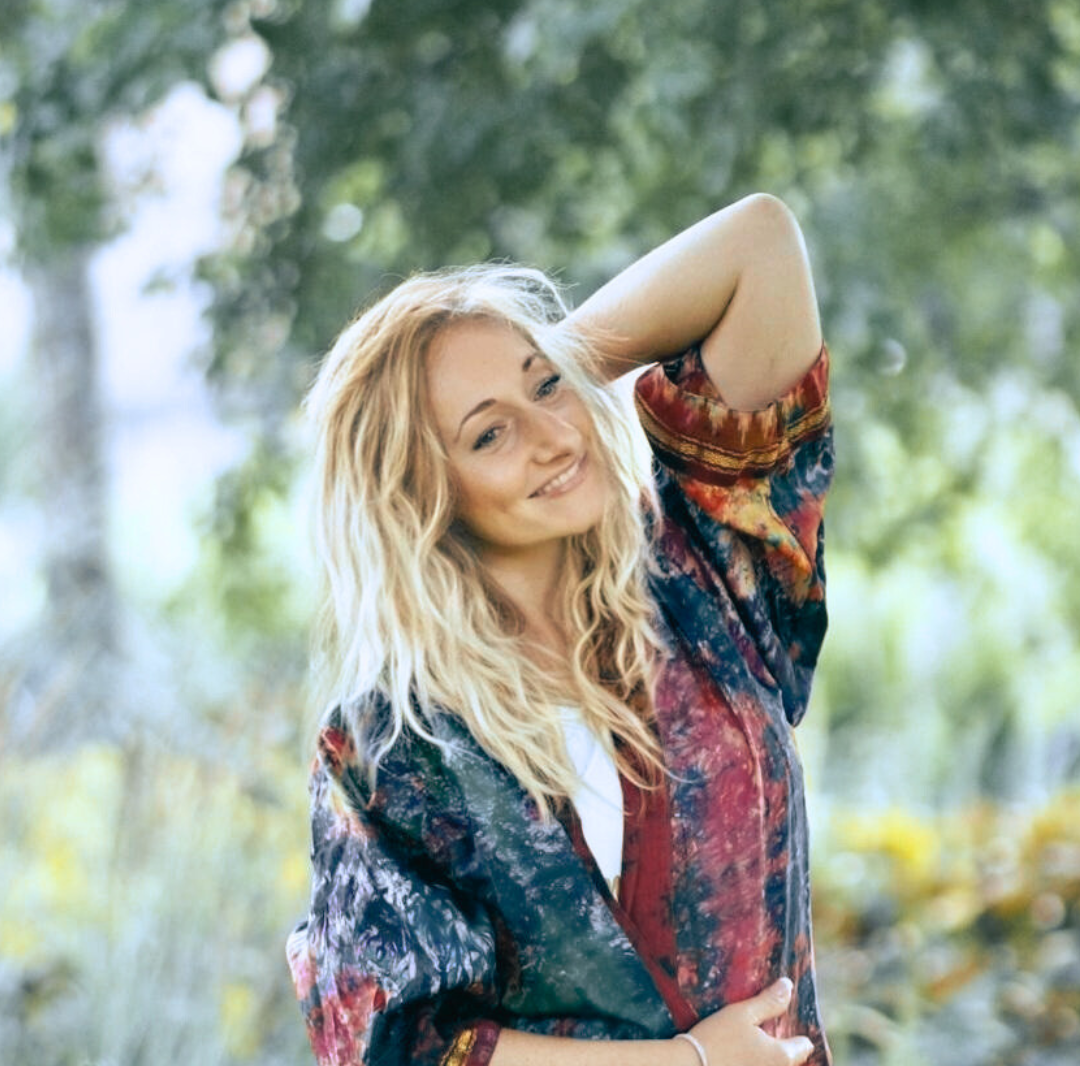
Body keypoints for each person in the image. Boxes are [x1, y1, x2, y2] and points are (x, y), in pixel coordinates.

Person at [287, 193, 834, 1066]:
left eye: (548, 388)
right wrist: (685, 1064)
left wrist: (534, 362)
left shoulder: (700, 576)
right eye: (490, 435)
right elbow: (402, 1043)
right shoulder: (393, 753)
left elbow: (758, 246)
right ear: (422, 494)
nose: (553, 437)